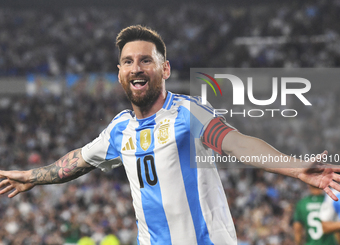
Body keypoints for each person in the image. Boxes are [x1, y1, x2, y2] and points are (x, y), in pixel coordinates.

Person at [1, 25, 340, 245]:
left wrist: (295, 168)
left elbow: (238, 143)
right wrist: (33, 177)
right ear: (119, 73)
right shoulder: (119, 130)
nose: (136, 67)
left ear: (164, 69)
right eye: (128, 61)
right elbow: (76, 161)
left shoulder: (188, 112)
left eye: (145, 60)